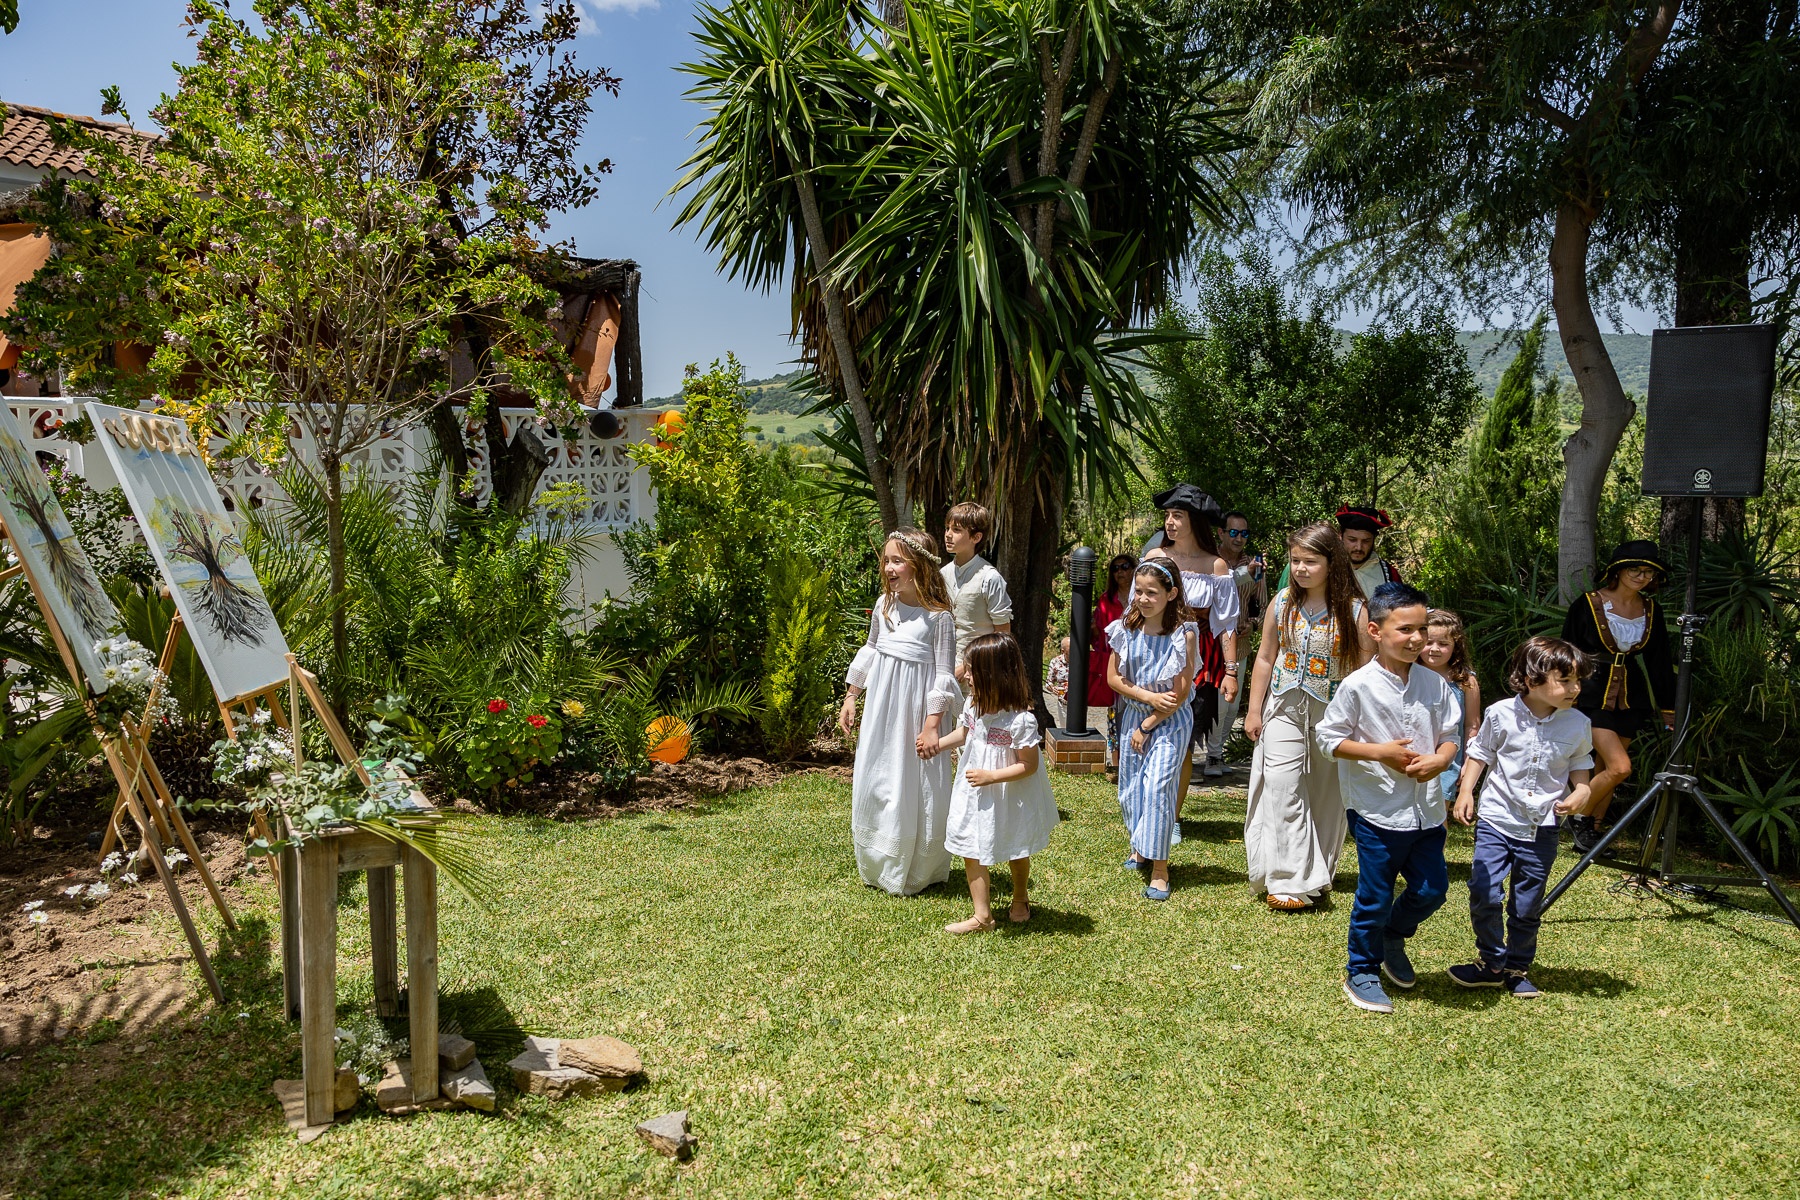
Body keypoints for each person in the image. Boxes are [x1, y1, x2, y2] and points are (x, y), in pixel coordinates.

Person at [1316, 581, 1462, 1014]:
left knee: (1434, 889)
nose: (1416, 639)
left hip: (1428, 811)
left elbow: (1451, 737)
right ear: (1376, 631)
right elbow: (1328, 739)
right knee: (1374, 895)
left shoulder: (1435, 685)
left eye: (1422, 629)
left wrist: (1440, 760)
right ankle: (1361, 969)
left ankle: (1392, 934)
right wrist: (1379, 752)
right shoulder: (1358, 686)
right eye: (1405, 630)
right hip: (1376, 809)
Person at [1449, 636, 1595, 998]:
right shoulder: (1501, 714)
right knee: (1484, 891)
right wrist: (1466, 791)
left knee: (1527, 903)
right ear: (1532, 680)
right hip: (1497, 818)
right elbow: (1480, 753)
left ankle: (1516, 967)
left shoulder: (1577, 723)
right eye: (1565, 680)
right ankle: (1492, 962)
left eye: (1578, 680)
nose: (1574, 688)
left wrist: (1582, 791)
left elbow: (1580, 764)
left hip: (1542, 826)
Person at [1243, 522, 1372, 911]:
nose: (1300, 568)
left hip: (1333, 712)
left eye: (1309, 561)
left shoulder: (1354, 610)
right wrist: (1253, 709)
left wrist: (1360, 723)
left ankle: (1316, 875)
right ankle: (1287, 879)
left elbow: (1365, 672)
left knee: (1324, 795)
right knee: (1281, 784)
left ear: (1331, 563)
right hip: (1283, 706)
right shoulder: (1282, 602)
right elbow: (1265, 657)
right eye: (1295, 560)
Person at [839, 530, 962, 896]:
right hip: (883, 709)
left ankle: (915, 866)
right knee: (878, 777)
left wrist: (932, 725)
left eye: (898, 561)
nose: (889, 568)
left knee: (913, 783)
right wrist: (851, 696)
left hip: (916, 713)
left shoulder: (938, 618)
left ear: (919, 566)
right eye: (887, 560)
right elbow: (871, 648)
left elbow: (943, 674)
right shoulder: (884, 606)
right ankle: (878, 862)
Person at [934, 633, 1061, 932]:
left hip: (1008, 792)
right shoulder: (972, 705)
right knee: (970, 845)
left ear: (995, 675)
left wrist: (992, 776)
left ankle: (1020, 896)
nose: (966, 676)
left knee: (1015, 847)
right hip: (974, 789)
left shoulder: (1020, 721)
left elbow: (1027, 765)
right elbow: (964, 735)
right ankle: (982, 916)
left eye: (972, 671)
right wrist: (937, 745)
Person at [1558, 540, 1676, 853]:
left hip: (1631, 696)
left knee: (1605, 771)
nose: (1642, 576)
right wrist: (1563, 693)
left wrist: (1668, 707)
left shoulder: (1651, 609)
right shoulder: (1588, 603)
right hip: (1590, 693)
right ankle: (1574, 817)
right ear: (1618, 571)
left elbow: (1660, 661)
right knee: (1619, 767)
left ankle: (1592, 834)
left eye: (1648, 571)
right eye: (1635, 569)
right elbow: (1567, 651)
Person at [1141, 484, 1240, 805]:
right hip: (1153, 655)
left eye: (1177, 516)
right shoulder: (1155, 558)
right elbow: (1135, 611)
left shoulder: (1216, 566)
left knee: (1182, 740)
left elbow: (1226, 623)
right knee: (1149, 731)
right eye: (1168, 515)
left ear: (1194, 522)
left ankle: (1174, 814)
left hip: (1201, 663)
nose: (1169, 522)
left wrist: (1231, 671)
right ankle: (1148, 804)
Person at [1107, 560, 1199, 902]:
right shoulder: (1125, 627)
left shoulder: (1184, 632)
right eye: (1139, 591)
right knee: (1132, 790)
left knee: (1159, 787)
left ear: (1171, 594)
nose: (1143, 599)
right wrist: (1144, 698)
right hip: (1133, 714)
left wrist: (1148, 725)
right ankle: (1140, 847)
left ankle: (1160, 869)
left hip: (1168, 722)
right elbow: (1114, 679)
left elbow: (1178, 693)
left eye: (1152, 593)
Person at [1205, 510, 1268, 776]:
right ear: (1221, 533)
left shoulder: (1255, 567)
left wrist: (1252, 623)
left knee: (1233, 705)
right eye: (1233, 532)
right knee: (1219, 702)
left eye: (1244, 533)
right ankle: (1211, 757)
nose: (1239, 538)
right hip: (1212, 645)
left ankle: (1217, 754)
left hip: (1240, 644)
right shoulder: (1210, 562)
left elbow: (1263, 606)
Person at [940, 501, 1014, 678]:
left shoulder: (990, 578)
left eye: (956, 530)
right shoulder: (943, 574)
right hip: (943, 668)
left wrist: (966, 667)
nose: (948, 535)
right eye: (947, 528)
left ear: (976, 537)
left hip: (980, 673)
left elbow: (1002, 634)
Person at [1419, 609, 1482, 807]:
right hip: (1415, 753)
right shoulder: (1408, 675)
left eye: (1443, 644)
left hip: (1449, 760)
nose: (1434, 649)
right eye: (1428, 642)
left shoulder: (1465, 681)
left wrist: (1468, 762)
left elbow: (1472, 725)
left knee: (1437, 815)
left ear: (1456, 646)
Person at [1087, 553, 1137, 765]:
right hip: (1116, 663)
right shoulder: (1106, 600)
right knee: (1116, 714)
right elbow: (1099, 633)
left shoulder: (1142, 596)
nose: (1120, 572)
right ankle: (1117, 762)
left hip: (1140, 661)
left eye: (1125, 567)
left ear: (1134, 569)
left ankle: (1137, 755)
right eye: (1115, 569)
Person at [1044, 636, 1070, 730]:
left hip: (1079, 702)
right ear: (1063, 651)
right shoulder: (1056, 662)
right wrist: (1052, 688)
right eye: (1070, 651)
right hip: (1064, 703)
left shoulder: (1081, 660)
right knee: (1065, 728)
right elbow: (1048, 682)